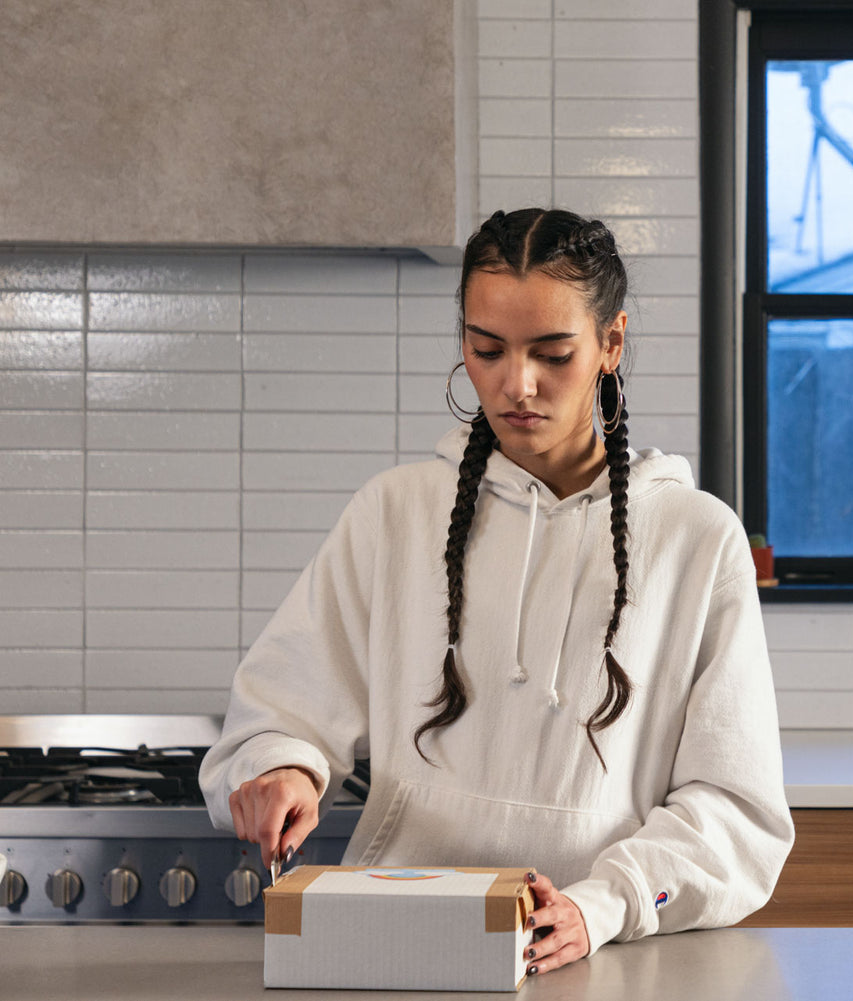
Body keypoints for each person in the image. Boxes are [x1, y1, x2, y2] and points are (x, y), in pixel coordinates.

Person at [200, 207, 794, 976]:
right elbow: (277, 714)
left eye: (553, 353)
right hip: (395, 957)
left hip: (599, 960)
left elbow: (738, 815)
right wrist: (282, 766)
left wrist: (601, 902)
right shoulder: (396, 510)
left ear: (611, 343)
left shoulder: (698, 538)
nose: (517, 384)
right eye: (488, 349)